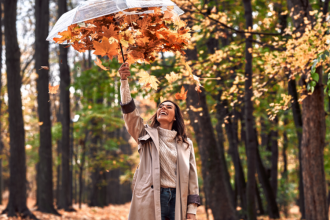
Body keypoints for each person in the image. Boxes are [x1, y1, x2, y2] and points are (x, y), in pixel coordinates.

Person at [118, 63, 200, 220]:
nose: (163, 108)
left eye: (169, 107)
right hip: (151, 197)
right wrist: (124, 81)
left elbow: (192, 178)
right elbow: (130, 115)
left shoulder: (186, 144)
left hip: (178, 199)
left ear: (175, 117)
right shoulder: (145, 135)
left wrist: (192, 209)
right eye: (161, 106)